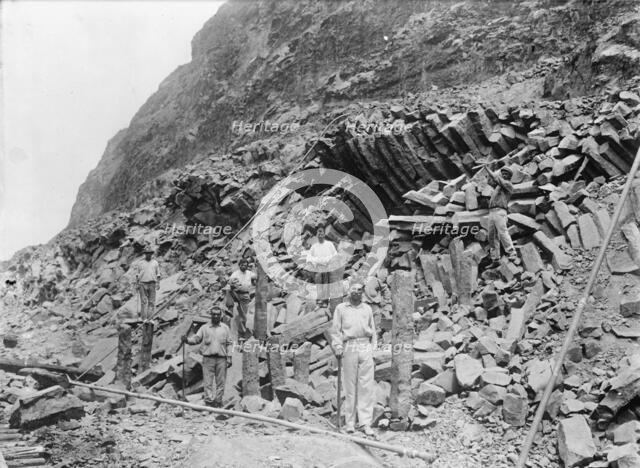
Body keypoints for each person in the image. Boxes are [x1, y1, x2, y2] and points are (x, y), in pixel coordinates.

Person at [331, 283, 377, 436]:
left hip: (365, 345)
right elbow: (336, 330)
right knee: (350, 386)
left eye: (359, 289)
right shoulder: (341, 309)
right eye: (353, 289)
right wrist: (337, 346)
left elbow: (373, 330)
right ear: (348, 291)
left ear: (363, 292)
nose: (357, 292)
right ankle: (350, 423)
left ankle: (365, 423)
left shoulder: (367, 309)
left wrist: (373, 349)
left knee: (366, 386)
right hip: (349, 345)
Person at [182, 308, 232, 407]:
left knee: (221, 382)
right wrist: (187, 340)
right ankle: (209, 402)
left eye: (218, 314)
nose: (216, 316)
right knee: (208, 381)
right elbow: (196, 339)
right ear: (211, 315)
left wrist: (229, 357)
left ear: (221, 316)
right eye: (214, 314)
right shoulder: (204, 328)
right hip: (208, 358)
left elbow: (229, 343)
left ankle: (218, 401)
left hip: (221, 358)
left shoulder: (225, 328)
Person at [486, 166, 517, 266]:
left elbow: (496, 178)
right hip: (492, 212)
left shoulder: (508, 185)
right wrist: (492, 168)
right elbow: (490, 181)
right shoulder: (498, 186)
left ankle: (512, 254)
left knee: (503, 233)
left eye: (506, 174)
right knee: (492, 236)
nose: (503, 175)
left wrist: (487, 167)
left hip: (500, 211)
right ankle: (495, 259)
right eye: (502, 173)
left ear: (509, 177)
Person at [307, 226, 338, 306]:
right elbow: (309, 257)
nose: (320, 233)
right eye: (318, 232)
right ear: (317, 234)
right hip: (318, 268)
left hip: (328, 267)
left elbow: (335, 255)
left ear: (324, 234)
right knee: (319, 283)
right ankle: (320, 300)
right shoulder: (314, 246)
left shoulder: (329, 244)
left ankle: (326, 301)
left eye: (321, 232)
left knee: (326, 283)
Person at [227, 259, 256, 339]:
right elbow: (230, 282)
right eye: (242, 265)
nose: (244, 266)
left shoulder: (249, 273)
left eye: (245, 265)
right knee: (228, 290)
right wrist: (233, 284)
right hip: (236, 293)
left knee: (245, 315)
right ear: (239, 265)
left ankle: (246, 332)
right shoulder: (235, 273)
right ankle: (230, 308)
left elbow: (257, 277)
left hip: (245, 294)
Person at [134, 247, 160, 322]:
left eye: (150, 253)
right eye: (147, 253)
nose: (148, 255)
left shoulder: (155, 262)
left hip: (152, 283)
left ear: (151, 254)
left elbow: (158, 274)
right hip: (142, 283)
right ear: (145, 254)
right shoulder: (140, 263)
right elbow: (137, 274)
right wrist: (137, 284)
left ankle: (150, 318)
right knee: (144, 301)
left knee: (151, 301)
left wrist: (158, 283)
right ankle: (144, 318)